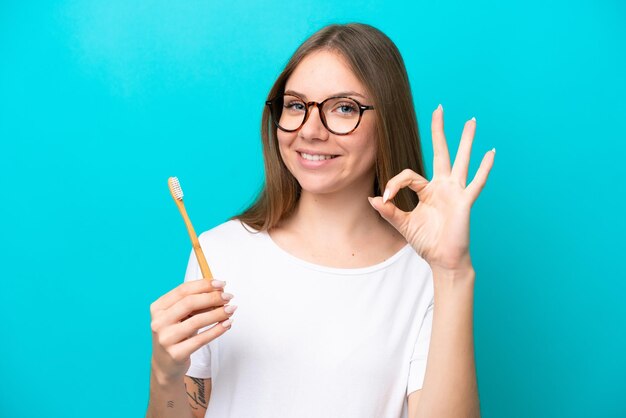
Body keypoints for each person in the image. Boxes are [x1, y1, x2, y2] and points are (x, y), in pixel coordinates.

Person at [146, 23, 495, 418]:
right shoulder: (218, 253)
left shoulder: (425, 274)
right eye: (296, 105)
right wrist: (165, 375)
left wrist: (452, 273)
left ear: (388, 120)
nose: (310, 131)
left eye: (344, 108)